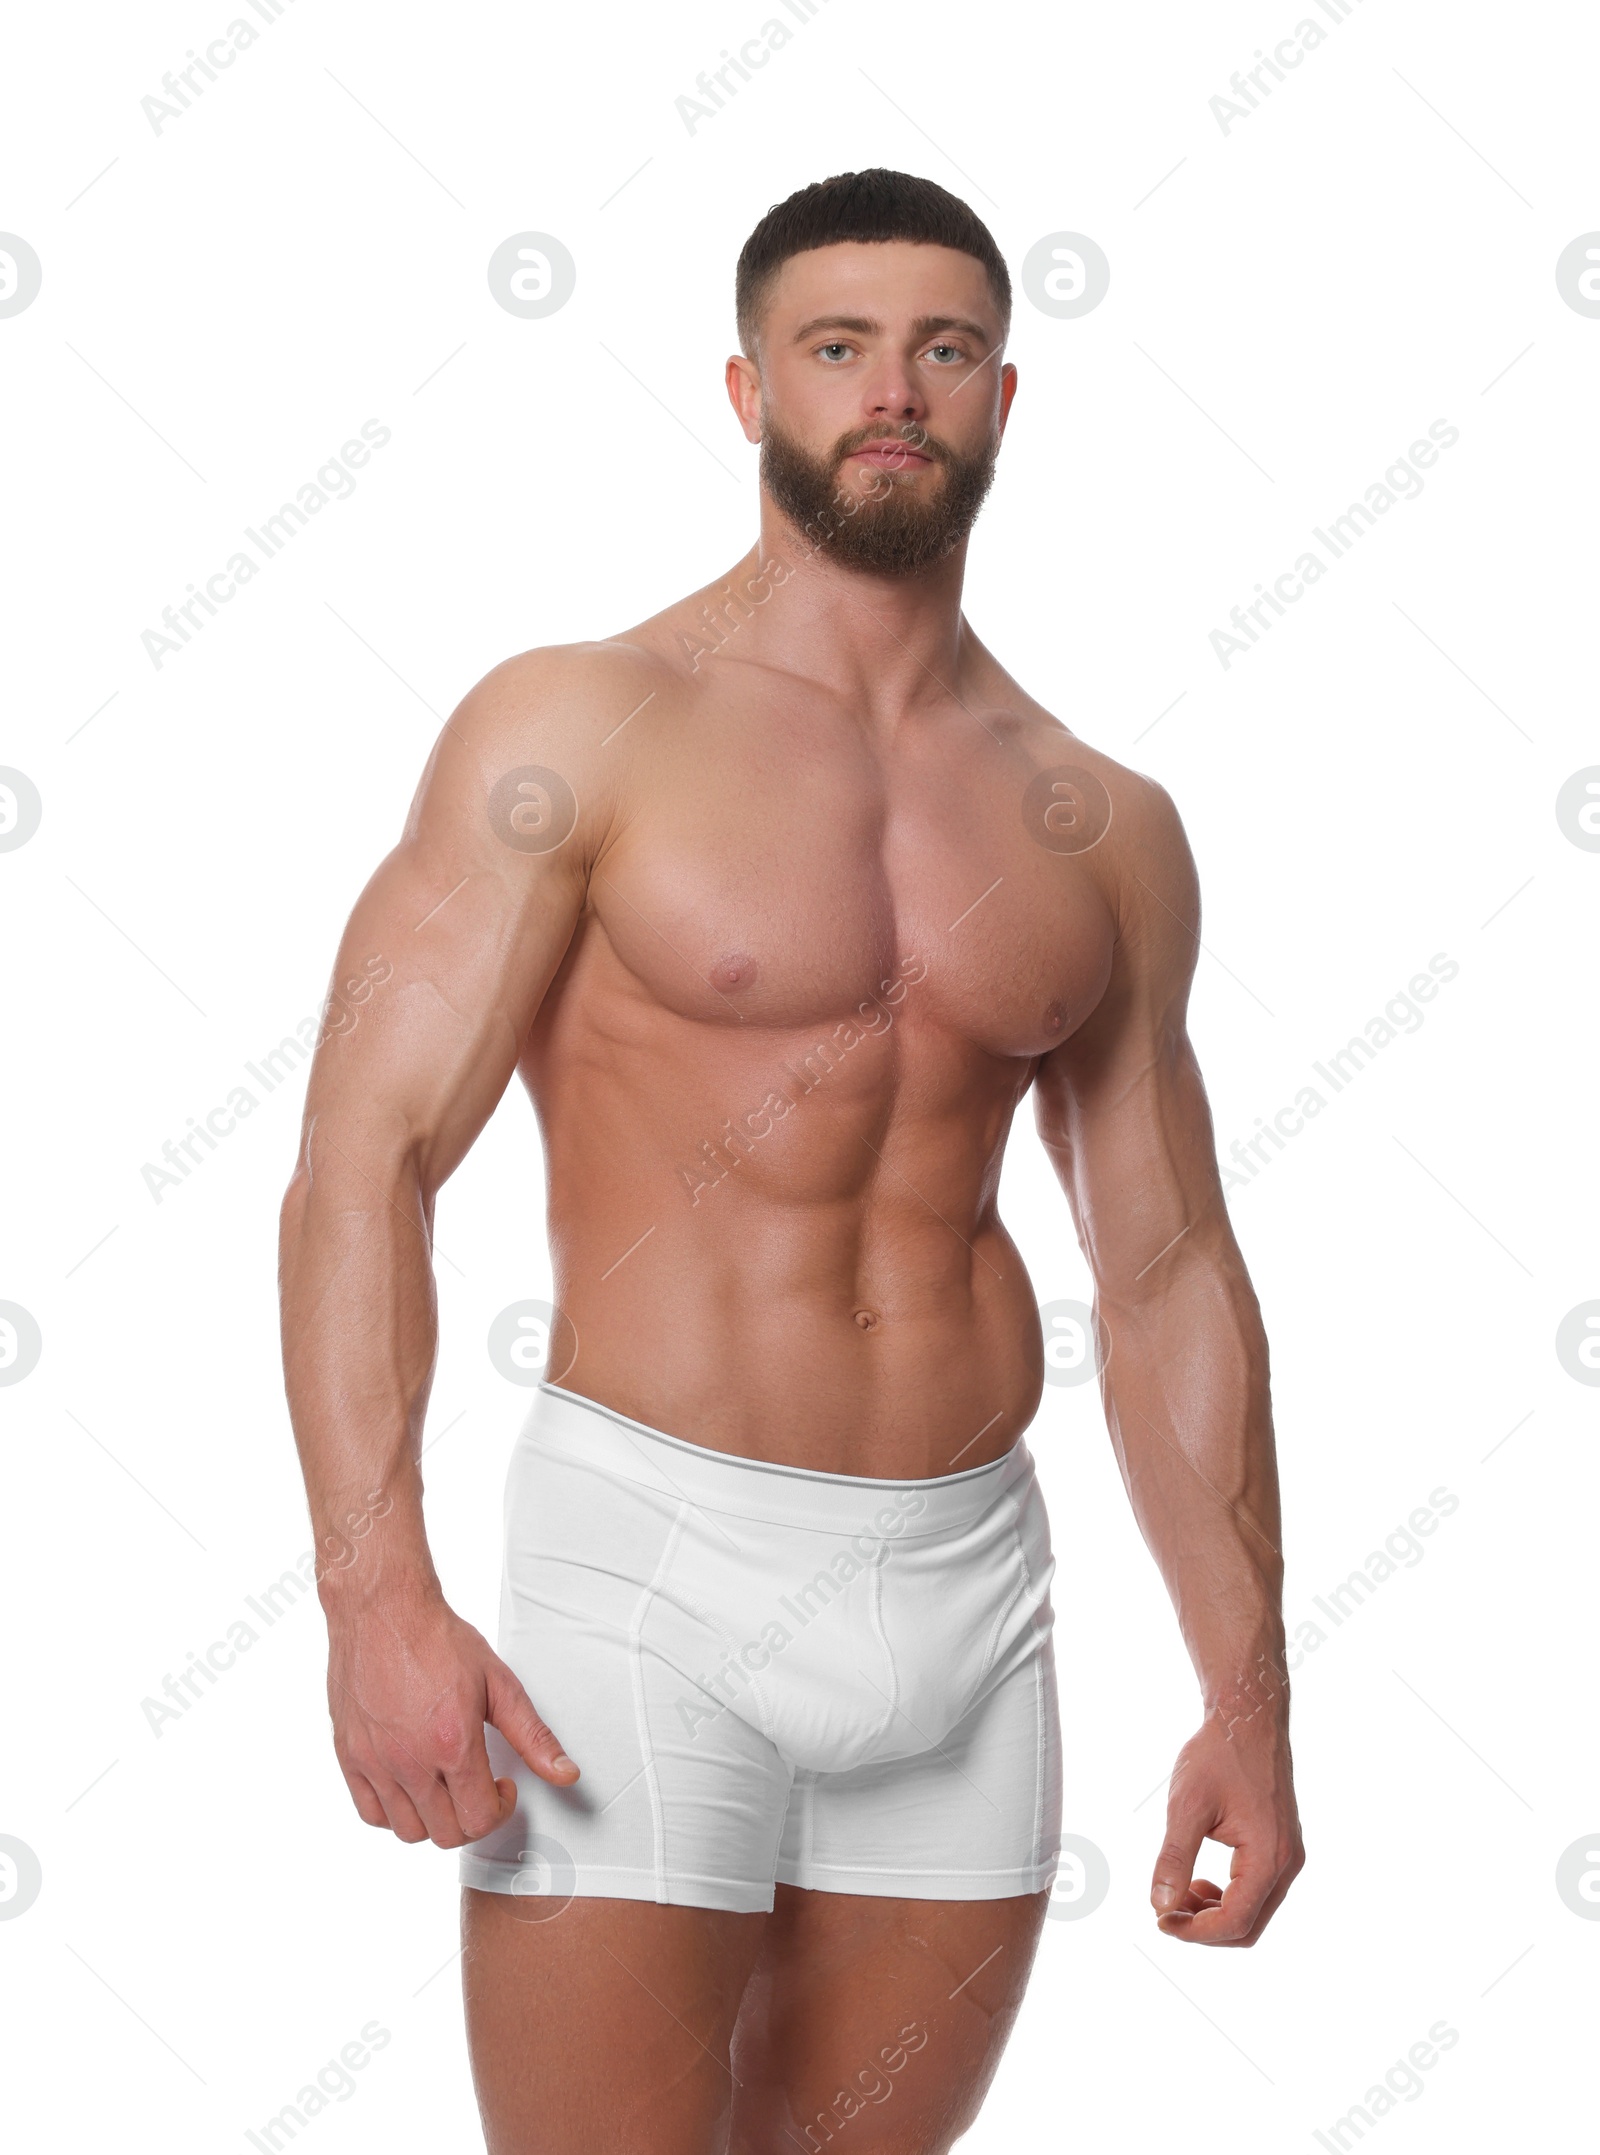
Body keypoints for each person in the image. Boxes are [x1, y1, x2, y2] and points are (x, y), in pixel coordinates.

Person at [279, 167, 1304, 2155]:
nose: (888, 389)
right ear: (749, 392)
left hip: (966, 1592)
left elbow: (1168, 1270)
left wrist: (1247, 1705)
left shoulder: (1099, 819)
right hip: (646, 1570)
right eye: (837, 347)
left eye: (938, 349)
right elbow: (360, 1160)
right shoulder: (580, 724)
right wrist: (369, 1587)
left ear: (1003, 398)